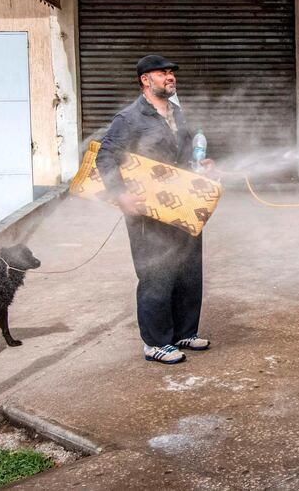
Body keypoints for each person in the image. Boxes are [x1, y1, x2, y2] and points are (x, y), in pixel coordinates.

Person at [96, 55, 214, 365]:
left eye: (172, 72)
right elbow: (105, 159)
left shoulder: (177, 113)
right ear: (145, 80)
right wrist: (120, 195)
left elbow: (185, 152)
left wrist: (200, 164)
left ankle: (184, 332)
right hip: (147, 208)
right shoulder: (129, 118)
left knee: (189, 269)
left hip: (183, 202)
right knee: (156, 273)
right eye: (163, 72)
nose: (170, 76)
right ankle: (156, 342)